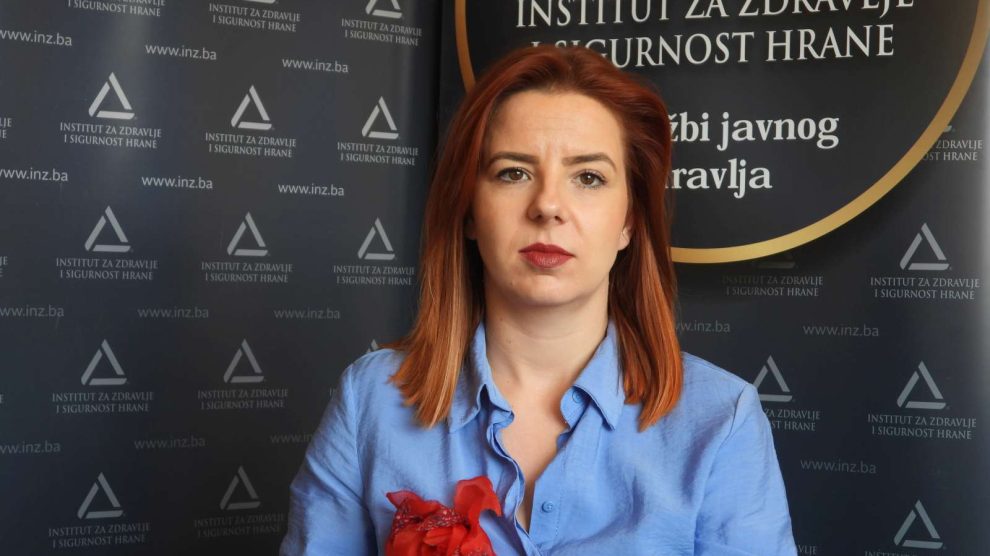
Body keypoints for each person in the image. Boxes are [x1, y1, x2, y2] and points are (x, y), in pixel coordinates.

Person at [280, 45, 797, 555]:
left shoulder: (721, 421)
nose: (548, 205)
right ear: (468, 210)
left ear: (629, 221)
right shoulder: (369, 402)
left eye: (588, 177)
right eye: (514, 172)